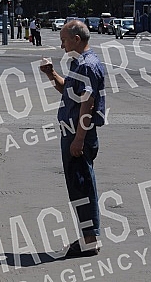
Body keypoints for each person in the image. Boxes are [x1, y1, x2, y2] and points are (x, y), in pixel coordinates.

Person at [39, 20, 106, 258]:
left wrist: (78, 139)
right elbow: (70, 92)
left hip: (78, 134)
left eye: (64, 40)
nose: (62, 45)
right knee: (80, 186)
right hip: (74, 133)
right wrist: (51, 74)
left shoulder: (87, 66)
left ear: (76, 39)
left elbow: (87, 104)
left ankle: (90, 240)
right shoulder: (80, 64)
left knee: (82, 187)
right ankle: (89, 237)